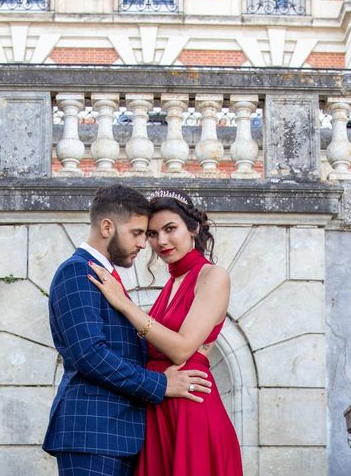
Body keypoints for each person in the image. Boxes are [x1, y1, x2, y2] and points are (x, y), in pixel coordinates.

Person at [42, 184, 213, 476]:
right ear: (107, 227)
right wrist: (160, 384)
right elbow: (89, 354)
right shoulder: (76, 271)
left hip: (121, 437)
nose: (144, 244)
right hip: (92, 434)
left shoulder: (106, 278)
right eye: (137, 233)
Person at [88, 188, 243, 476]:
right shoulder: (170, 286)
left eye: (170, 229)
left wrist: (124, 304)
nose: (161, 241)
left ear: (193, 229)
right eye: (152, 233)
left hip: (191, 410)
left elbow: (182, 349)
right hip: (159, 409)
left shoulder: (213, 276)